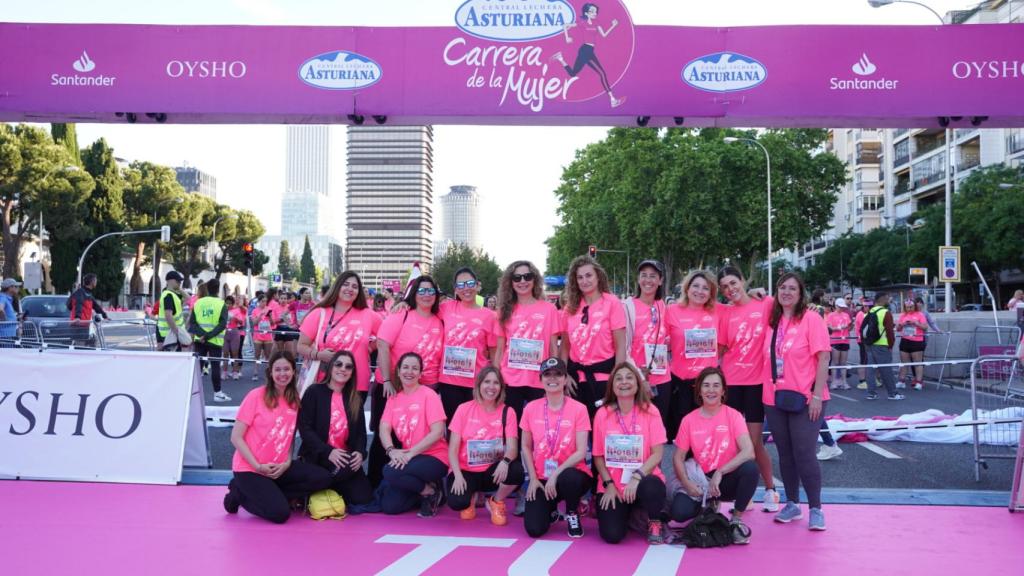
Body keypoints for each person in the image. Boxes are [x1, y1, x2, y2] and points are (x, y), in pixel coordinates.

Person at [223, 351, 332, 523]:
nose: (282, 374)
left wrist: (287, 462)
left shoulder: (294, 399)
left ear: (293, 372)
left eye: (286, 369)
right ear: (270, 372)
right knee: (280, 514)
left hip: (279, 467)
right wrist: (257, 466)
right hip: (251, 468)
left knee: (323, 477)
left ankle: (270, 491)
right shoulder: (255, 396)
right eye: (278, 370)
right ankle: (239, 492)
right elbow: (236, 437)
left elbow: (289, 436)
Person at [761, 272, 830, 531]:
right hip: (774, 395)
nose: (787, 292)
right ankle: (792, 503)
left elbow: (823, 358)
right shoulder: (773, 321)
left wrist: (816, 395)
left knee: (804, 453)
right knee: (785, 453)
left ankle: (816, 508)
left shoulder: (811, 319)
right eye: (782, 288)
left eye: (792, 288)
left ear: (801, 294)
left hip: (806, 397)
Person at [716, 265, 780, 512]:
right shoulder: (726, 314)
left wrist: (759, 291)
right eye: (724, 287)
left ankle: (771, 490)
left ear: (743, 280)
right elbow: (721, 349)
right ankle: (744, 493)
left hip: (756, 384)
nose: (730, 289)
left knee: (753, 444)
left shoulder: (764, 304)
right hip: (731, 383)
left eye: (733, 282)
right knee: (733, 443)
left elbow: (786, 306)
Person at [671, 367, 758, 544]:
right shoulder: (689, 419)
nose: (711, 390)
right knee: (679, 513)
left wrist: (720, 472)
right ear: (699, 390)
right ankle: (708, 507)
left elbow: (749, 452)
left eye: (716, 385)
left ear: (723, 390)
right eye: (706, 385)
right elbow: (677, 458)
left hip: (724, 479)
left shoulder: (733, 416)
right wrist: (687, 484)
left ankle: (735, 521)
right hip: (700, 480)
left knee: (750, 469)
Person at [374, 275, 444, 486]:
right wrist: (387, 380)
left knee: (421, 435)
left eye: (430, 291)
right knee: (387, 438)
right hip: (393, 386)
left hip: (427, 386)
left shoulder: (440, 318)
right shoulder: (401, 314)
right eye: (421, 290)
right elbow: (382, 345)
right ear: (414, 293)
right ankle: (381, 482)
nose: (426, 295)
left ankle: (420, 482)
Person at [592, 362, 668, 545]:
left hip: (642, 480)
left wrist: (636, 477)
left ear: (637, 383)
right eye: (618, 378)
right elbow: (597, 455)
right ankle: (630, 514)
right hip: (614, 485)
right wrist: (608, 484)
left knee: (652, 486)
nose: (623, 382)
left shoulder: (651, 411)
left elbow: (657, 453)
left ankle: (654, 521)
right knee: (612, 535)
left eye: (629, 377)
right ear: (612, 385)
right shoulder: (603, 413)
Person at [521, 357, 592, 539]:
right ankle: (551, 509)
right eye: (547, 375)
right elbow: (526, 446)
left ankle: (572, 513)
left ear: (566, 379)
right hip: (541, 477)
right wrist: (533, 479)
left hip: (572, 475)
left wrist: (556, 474)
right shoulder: (530, 408)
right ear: (540, 379)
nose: (553, 379)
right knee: (534, 529)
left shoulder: (579, 409)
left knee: (570, 477)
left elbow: (581, 452)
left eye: (558, 374)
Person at [446, 366, 524, 525]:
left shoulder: (508, 412)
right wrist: (458, 476)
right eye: (487, 382)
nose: (491, 387)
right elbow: (452, 449)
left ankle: (496, 501)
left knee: (516, 471)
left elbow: (513, 448)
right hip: (466, 471)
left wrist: (505, 461)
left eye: (496, 383)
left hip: (493, 472)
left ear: (501, 388)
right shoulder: (463, 409)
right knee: (457, 503)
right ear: (479, 385)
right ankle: (471, 498)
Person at [378, 352, 450, 517]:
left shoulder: (429, 395)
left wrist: (410, 453)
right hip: (408, 457)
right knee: (390, 506)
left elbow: (438, 432)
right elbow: (384, 428)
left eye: (414, 368)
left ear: (420, 373)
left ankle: (431, 491)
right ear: (398, 371)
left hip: (434, 457)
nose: (409, 372)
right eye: (405, 367)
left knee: (389, 471)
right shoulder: (394, 398)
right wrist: (391, 450)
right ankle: (425, 490)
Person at [298, 350, 372, 506]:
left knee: (363, 498)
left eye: (348, 367)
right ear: (330, 367)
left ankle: (321, 487)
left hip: (344, 460)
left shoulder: (354, 398)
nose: (343, 369)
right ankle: (321, 483)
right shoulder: (314, 392)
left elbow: (360, 433)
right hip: (320, 456)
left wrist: (360, 452)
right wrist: (328, 451)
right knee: (334, 476)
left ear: (352, 373)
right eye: (338, 364)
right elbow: (305, 428)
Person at [493, 261, 562, 423]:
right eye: (517, 278)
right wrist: (496, 378)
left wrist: (556, 376)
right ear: (510, 282)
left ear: (535, 279)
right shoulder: (504, 311)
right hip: (510, 380)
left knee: (538, 430)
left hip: (539, 380)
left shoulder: (549, 309)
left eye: (527, 276)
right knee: (511, 432)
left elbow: (553, 348)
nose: (522, 281)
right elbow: (500, 349)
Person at [560, 255, 627, 419]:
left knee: (604, 431)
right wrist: (564, 376)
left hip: (605, 378)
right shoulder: (570, 308)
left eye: (589, 275)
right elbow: (565, 346)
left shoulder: (612, 303)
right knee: (579, 434)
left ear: (598, 276)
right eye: (580, 277)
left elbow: (620, 346)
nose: (585, 281)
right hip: (576, 381)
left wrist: (617, 380)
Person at [435, 267, 499, 420]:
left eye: (470, 283)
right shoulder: (446, 308)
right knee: (452, 426)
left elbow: (494, 351)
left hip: (477, 382)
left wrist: (495, 379)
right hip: (449, 381)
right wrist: (403, 304)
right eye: (460, 285)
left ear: (477, 285)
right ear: (455, 290)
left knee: (475, 427)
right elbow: (421, 308)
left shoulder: (490, 316)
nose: (466, 288)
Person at [665, 270, 722, 438]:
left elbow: (741, 304)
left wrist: (754, 293)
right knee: (684, 435)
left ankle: (709, 464)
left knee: (708, 433)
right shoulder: (671, 311)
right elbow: (660, 341)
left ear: (711, 293)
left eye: (705, 288)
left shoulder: (719, 311)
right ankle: (685, 464)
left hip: (708, 384)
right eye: (695, 286)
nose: (700, 291)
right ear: (687, 288)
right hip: (680, 382)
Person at [624, 260, 671, 431]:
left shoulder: (663, 306)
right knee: (637, 429)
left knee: (658, 432)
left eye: (653, 276)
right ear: (638, 279)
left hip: (663, 378)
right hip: (638, 379)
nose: (648, 280)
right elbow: (624, 349)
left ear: (660, 281)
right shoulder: (628, 307)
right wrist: (640, 377)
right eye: (644, 275)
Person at [551, 3, 625, 108]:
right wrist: (567, 37)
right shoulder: (583, 23)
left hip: (589, 51)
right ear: (586, 13)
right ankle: (612, 99)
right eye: (592, 11)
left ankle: (560, 58)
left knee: (573, 73)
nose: (595, 13)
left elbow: (604, 35)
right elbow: (565, 25)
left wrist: (613, 26)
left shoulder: (596, 23)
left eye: (595, 11)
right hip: (585, 51)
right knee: (602, 73)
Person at [189, 278, 231, 402]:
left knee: (198, 367)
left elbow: (192, 323)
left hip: (199, 340)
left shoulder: (198, 303)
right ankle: (217, 393)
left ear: (207, 288)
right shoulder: (221, 303)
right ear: (218, 289)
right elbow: (222, 324)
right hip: (215, 340)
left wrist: (202, 335)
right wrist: (208, 336)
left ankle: (190, 392)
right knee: (215, 366)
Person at [862, 292, 901, 401]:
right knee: (886, 370)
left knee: (870, 370)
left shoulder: (870, 311)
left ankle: (871, 393)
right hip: (882, 345)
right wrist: (891, 345)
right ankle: (892, 394)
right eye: (887, 298)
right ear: (882, 299)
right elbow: (889, 332)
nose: (889, 300)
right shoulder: (885, 313)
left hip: (870, 345)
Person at [68, 273, 109, 347]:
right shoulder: (80, 293)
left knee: (90, 343)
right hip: (78, 324)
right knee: (80, 346)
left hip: (84, 324)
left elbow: (96, 306)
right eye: (95, 280)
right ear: (92, 282)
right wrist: (77, 317)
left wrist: (104, 315)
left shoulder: (88, 294)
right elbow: (78, 305)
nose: (96, 282)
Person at [897, 298, 929, 391]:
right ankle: (901, 381)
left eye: (911, 307)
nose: (909, 309)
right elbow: (898, 329)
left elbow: (925, 327)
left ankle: (919, 382)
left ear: (914, 306)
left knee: (918, 363)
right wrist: (901, 325)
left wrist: (916, 323)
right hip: (905, 340)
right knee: (904, 362)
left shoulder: (920, 315)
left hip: (917, 341)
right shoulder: (903, 315)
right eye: (907, 307)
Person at [157, 271, 187, 351]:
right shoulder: (168, 296)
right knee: (172, 359)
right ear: (171, 281)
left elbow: (189, 299)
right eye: (178, 281)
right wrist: (177, 332)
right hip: (170, 335)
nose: (180, 283)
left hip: (171, 334)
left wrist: (179, 289)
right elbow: (168, 315)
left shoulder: (173, 294)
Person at [826, 298, 852, 390]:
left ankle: (844, 382)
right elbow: (829, 328)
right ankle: (834, 382)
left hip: (845, 340)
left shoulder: (846, 315)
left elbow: (849, 327)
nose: (842, 308)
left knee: (843, 362)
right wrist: (839, 328)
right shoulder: (830, 315)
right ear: (836, 306)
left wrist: (849, 327)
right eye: (840, 307)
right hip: (834, 340)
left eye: (843, 307)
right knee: (835, 362)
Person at [250, 293, 276, 380]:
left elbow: (273, 323)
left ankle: (268, 372)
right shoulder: (255, 311)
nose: (264, 303)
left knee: (268, 355)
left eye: (265, 301)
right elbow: (254, 323)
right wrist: (260, 316)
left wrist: (270, 317)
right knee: (257, 354)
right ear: (259, 301)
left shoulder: (270, 310)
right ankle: (255, 372)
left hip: (268, 335)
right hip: (258, 335)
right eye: (262, 301)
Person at [224, 296, 246, 380]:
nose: (228, 305)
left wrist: (235, 318)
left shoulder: (237, 310)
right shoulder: (223, 311)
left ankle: (235, 372)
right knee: (225, 353)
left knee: (235, 353)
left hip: (235, 332)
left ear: (232, 304)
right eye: (227, 303)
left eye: (230, 303)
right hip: (225, 333)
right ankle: (224, 372)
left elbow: (241, 322)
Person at [854, 298, 873, 390]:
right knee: (863, 360)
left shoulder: (870, 314)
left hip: (870, 341)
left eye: (867, 306)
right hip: (862, 341)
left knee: (870, 360)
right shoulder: (861, 314)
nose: (865, 307)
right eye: (864, 306)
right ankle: (862, 381)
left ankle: (871, 379)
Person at [0, 278, 21, 347]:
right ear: (10, 288)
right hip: (4, 335)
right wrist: (5, 320)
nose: (17, 288)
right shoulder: (3, 297)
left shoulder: (9, 299)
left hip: (9, 334)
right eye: (15, 286)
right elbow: (0, 309)